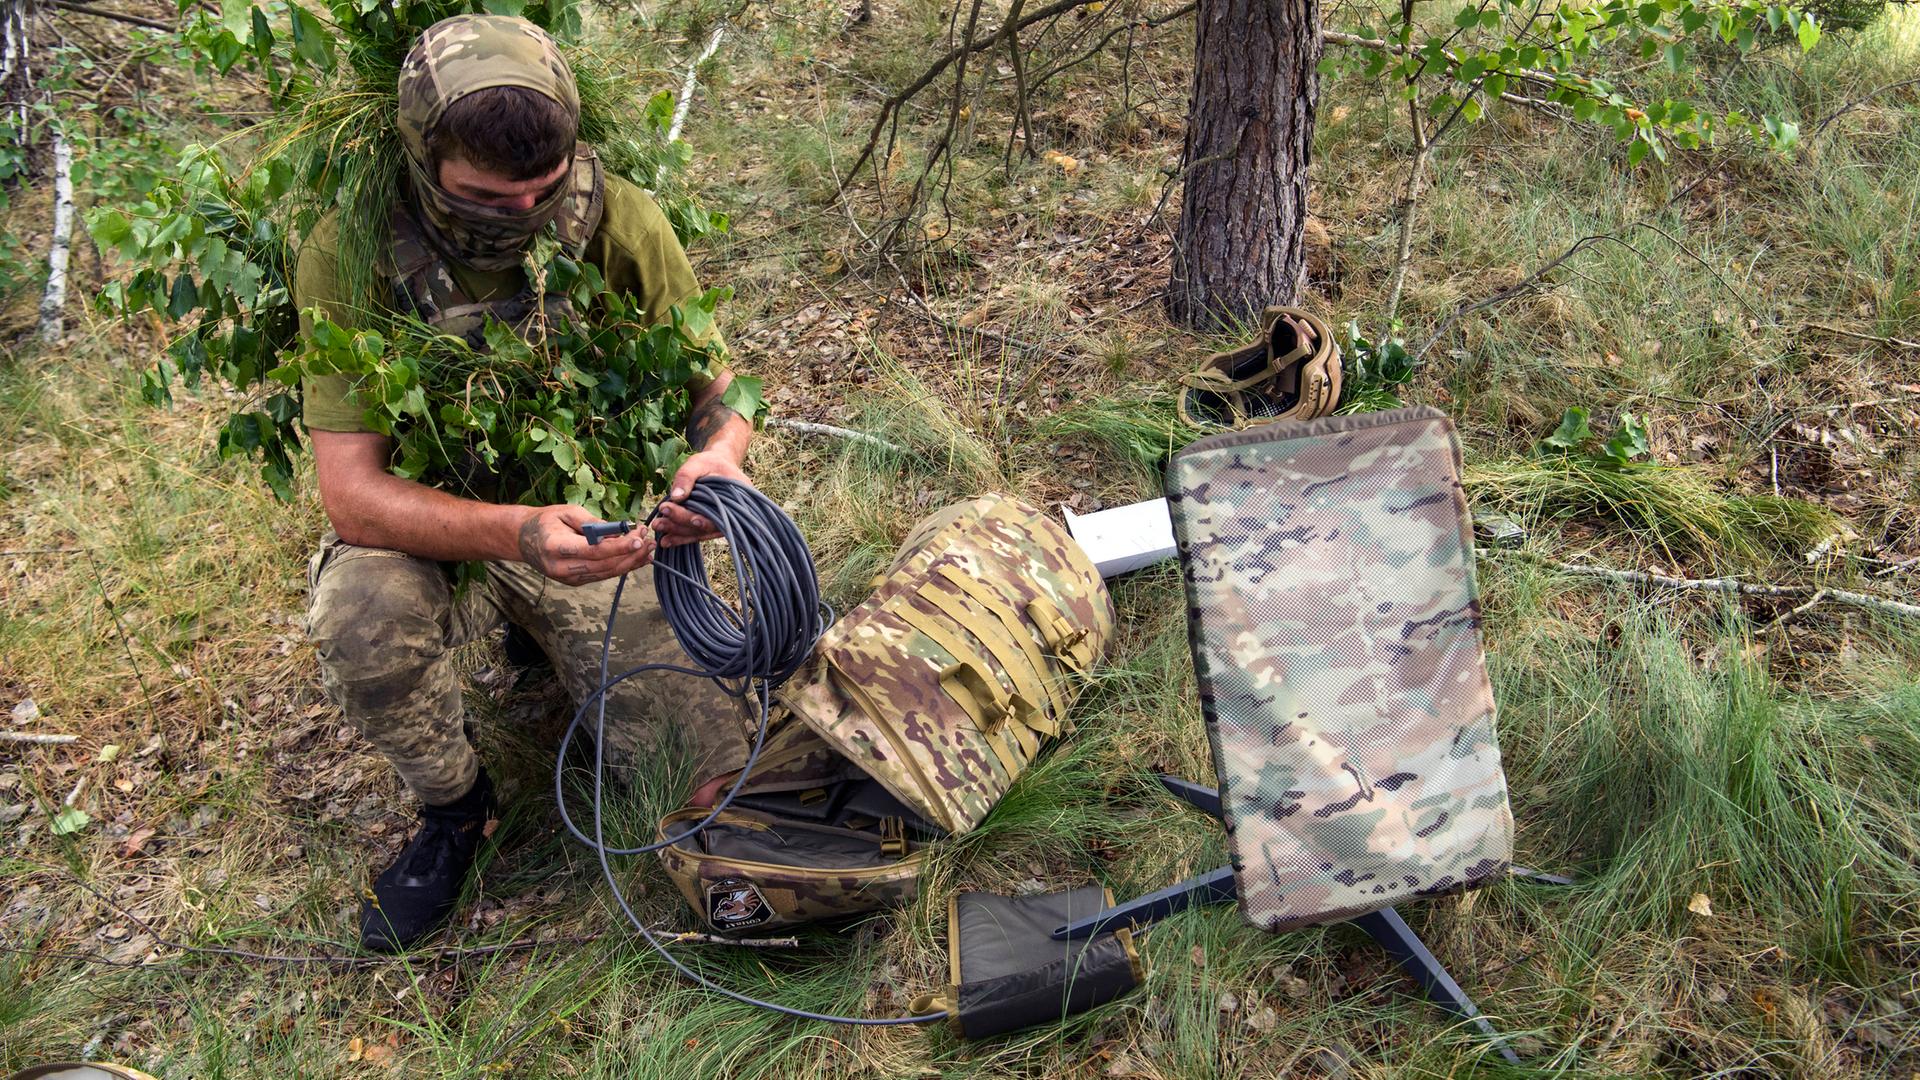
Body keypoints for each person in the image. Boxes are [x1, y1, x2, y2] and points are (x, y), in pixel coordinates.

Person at [295, 14, 754, 952]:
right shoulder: (350, 250)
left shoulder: (617, 217)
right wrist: (514, 534)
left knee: (710, 774)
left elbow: (724, 390)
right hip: (443, 530)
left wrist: (718, 459)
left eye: (542, 193)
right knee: (361, 615)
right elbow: (352, 494)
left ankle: (557, 644)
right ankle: (458, 810)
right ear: (422, 155)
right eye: (484, 197)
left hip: (594, 523)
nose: (520, 216)